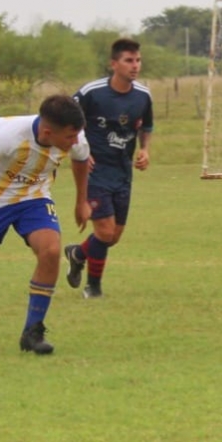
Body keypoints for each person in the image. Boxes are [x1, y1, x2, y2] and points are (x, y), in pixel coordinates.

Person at [0, 95, 90, 354]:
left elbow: (81, 159)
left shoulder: (74, 135)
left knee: (51, 250)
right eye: (69, 137)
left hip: (34, 197)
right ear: (47, 131)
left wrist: (81, 202)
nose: (75, 141)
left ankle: (32, 332)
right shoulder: (4, 135)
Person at [63, 38, 154, 298]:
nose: (135, 66)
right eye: (128, 60)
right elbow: (64, 119)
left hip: (123, 171)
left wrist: (145, 150)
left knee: (113, 236)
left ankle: (77, 253)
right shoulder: (92, 92)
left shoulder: (143, 95)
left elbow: (146, 126)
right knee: (104, 231)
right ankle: (93, 288)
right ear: (114, 64)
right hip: (94, 172)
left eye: (137, 60)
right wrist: (79, 147)